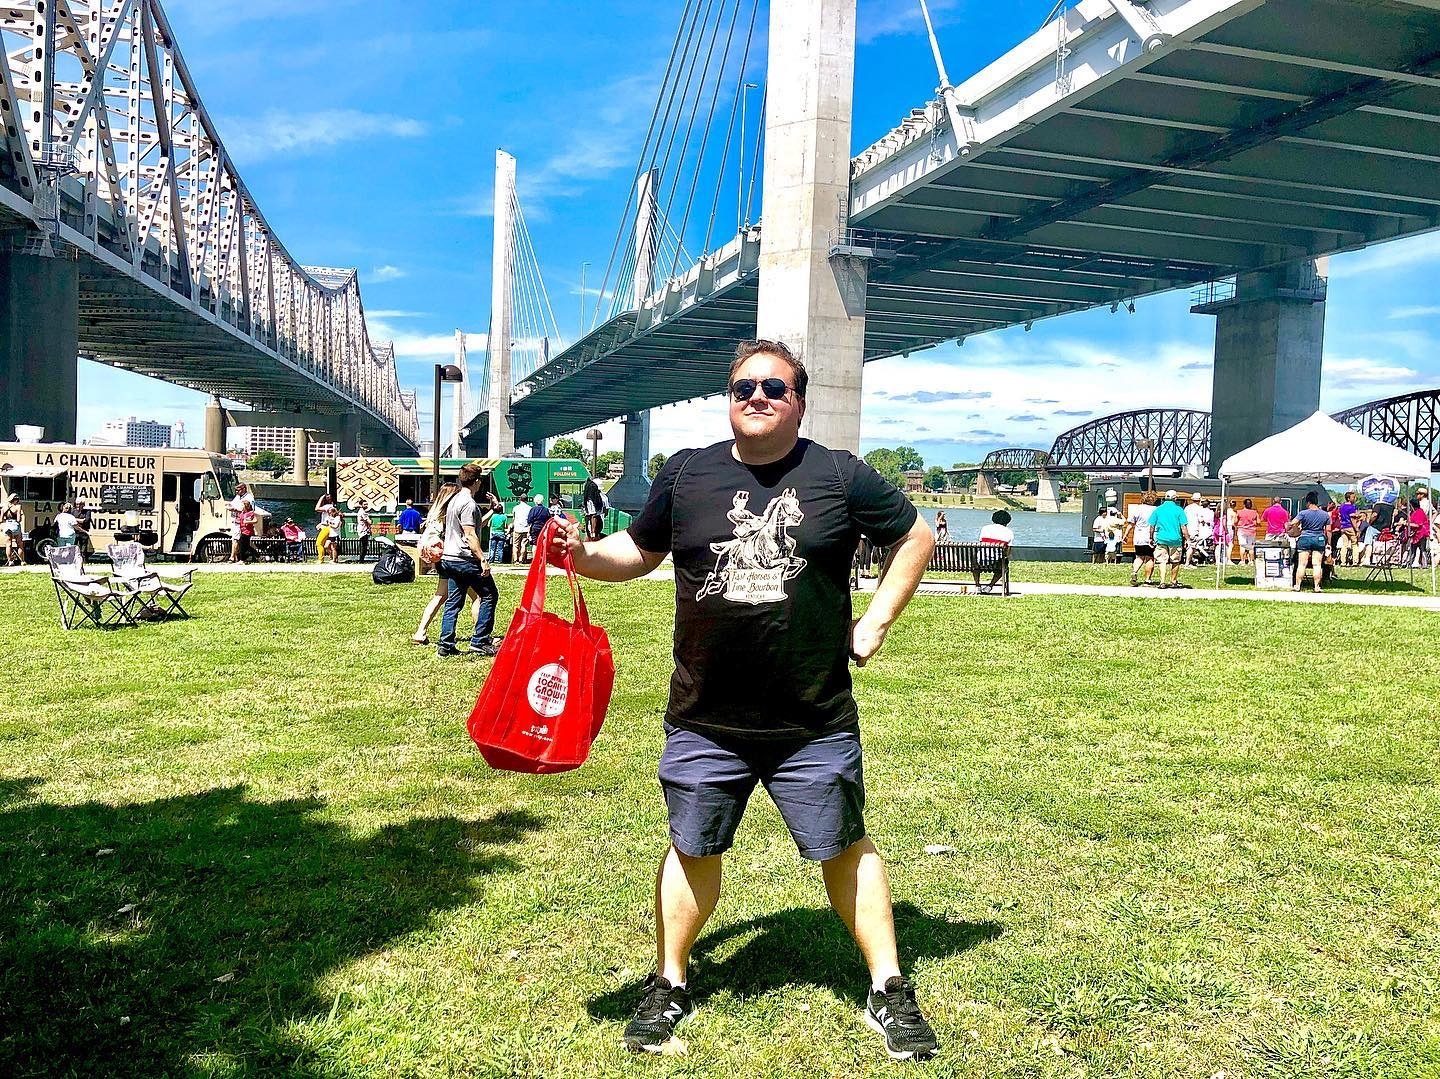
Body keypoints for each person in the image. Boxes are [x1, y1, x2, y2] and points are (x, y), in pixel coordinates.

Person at [548, 339, 939, 1061]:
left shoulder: (839, 475)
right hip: (706, 716)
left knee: (845, 847)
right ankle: (669, 981)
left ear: (799, 399)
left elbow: (914, 534)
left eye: (772, 387)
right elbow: (637, 551)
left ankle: (888, 987)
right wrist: (580, 555)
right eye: (742, 387)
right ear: (729, 398)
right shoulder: (687, 473)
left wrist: (875, 621)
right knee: (692, 845)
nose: (755, 397)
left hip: (812, 718)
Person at [436, 463, 500, 658]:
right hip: (465, 560)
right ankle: (480, 641)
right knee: (489, 595)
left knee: (453, 603)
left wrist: (492, 510)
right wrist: (482, 559)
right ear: (477, 482)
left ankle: (445, 645)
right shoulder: (469, 504)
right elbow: (470, 534)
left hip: (450, 558)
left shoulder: (454, 500)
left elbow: (473, 524)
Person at [412, 482, 485, 645]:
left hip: (442, 561)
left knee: (440, 596)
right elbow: (469, 533)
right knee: (478, 596)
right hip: (455, 560)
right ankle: (481, 636)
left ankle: (420, 631)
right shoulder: (449, 514)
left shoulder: (434, 513)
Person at [1148, 490, 1189, 589]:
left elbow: (1152, 526)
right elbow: (1183, 527)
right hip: (1176, 540)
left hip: (1161, 539)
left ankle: (1162, 581)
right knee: (1175, 561)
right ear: (1175, 498)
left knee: (1162, 561)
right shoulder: (1179, 510)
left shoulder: (1158, 510)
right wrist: (1187, 539)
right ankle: (1173, 581)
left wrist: (1150, 537)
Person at [1293, 492, 1330, 592]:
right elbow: (1328, 530)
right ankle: (1317, 587)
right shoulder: (1325, 514)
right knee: (1317, 565)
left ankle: (1297, 586)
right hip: (1319, 539)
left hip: (1305, 538)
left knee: (1302, 564)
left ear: (1308, 502)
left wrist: (1296, 530)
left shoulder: (1303, 513)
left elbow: (1293, 523)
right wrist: (1329, 543)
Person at [974, 509, 1012, 592]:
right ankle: (990, 586)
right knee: (1004, 564)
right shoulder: (1009, 532)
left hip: (980, 561)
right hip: (996, 563)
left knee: (976, 559)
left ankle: (977, 586)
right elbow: (1007, 552)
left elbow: (981, 543)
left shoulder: (985, 528)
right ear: (1007, 521)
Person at [1125, 492, 1157, 586]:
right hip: (1150, 537)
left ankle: (1134, 572)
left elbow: (1131, 524)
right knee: (1150, 558)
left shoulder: (1137, 509)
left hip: (1138, 536)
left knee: (1139, 557)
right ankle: (1147, 580)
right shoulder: (1155, 510)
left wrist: (1126, 535)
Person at [229, 483, 254, 563]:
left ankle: (232, 557)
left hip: (243, 524)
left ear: (244, 489)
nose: (236, 492)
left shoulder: (249, 497)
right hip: (237, 521)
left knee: (238, 540)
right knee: (237, 540)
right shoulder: (238, 497)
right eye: (235, 490)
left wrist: (236, 509)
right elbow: (231, 504)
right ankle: (236, 557)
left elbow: (250, 510)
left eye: (238, 490)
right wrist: (229, 506)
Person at [1407, 496, 1431, 569]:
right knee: (1413, 549)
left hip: (1421, 533)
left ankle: (1425, 565)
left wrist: (1407, 524)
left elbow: (1417, 525)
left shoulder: (1419, 512)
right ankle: (1409, 564)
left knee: (1422, 549)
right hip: (1415, 534)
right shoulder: (1413, 512)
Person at [1235, 498, 1260, 565]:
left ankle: (1242, 561)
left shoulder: (1239, 512)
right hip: (1251, 531)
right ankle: (1251, 561)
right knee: (1251, 547)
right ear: (1251, 504)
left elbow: (1235, 521)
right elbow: (1258, 522)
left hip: (1242, 531)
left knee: (1242, 546)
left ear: (1244, 504)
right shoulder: (1255, 512)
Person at [583, 477, 608, 542]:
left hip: (592, 526)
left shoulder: (589, 500)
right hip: (599, 523)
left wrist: (592, 531)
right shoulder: (604, 497)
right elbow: (606, 511)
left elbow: (592, 516)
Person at [2, 493, 23, 566]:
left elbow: (1, 520)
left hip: (7, 525)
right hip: (15, 525)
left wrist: (7, 521)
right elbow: (18, 519)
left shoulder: (4, 507)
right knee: (19, 544)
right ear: (16, 500)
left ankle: (10, 561)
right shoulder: (18, 507)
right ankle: (22, 561)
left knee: (8, 545)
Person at [510, 497, 533, 564]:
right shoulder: (530, 508)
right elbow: (530, 520)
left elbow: (513, 518)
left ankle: (515, 560)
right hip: (525, 529)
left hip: (517, 528)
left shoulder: (515, 508)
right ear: (527, 500)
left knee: (515, 545)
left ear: (520, 499)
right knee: (523, 545)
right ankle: (521, 560)